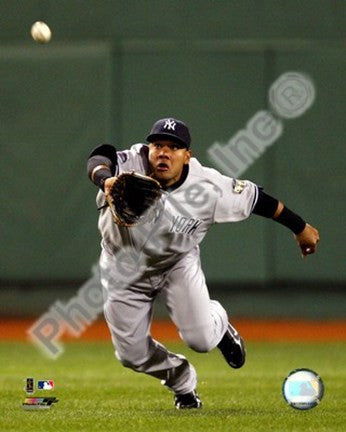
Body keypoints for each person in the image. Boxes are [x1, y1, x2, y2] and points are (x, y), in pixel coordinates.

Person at [87, 118, 319, 409]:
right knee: (131, 355)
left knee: (201, 339)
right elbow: (99, 156)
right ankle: (182, 381)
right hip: (121, 269)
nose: (164, 153)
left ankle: (220, 324)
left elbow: (258, 200)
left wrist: (300, 228)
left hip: (176, 266)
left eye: (174, 147)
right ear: (148, 148)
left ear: (188, 155)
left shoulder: (209, 187)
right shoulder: (130, 163)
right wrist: (105, 179)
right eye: (158, 145)